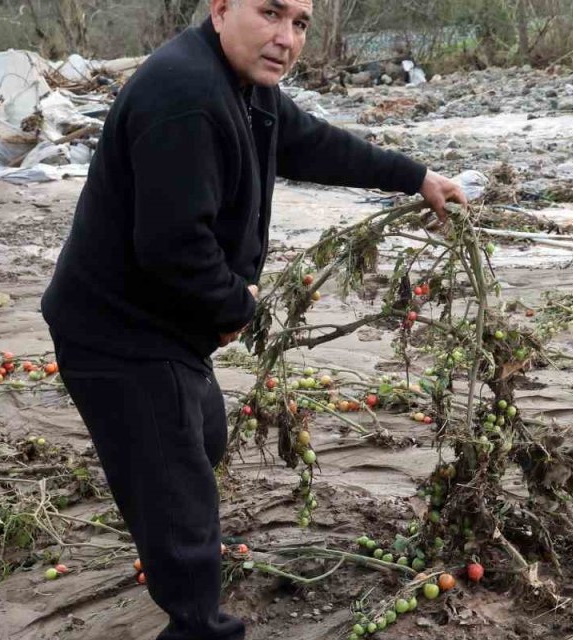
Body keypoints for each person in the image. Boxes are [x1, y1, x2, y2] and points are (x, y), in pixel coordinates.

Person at [41, 1, 466, 638]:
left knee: (201, 435)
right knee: (180, 494)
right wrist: (238, 307)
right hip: (116, 332)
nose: (286, 38)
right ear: (220, 10)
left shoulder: (249, 89)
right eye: (270, 13)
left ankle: (174, 526)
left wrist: (415, 176)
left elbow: (315, 144)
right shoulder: (184, 95)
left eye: (300, 23)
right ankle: (198, 623)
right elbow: (173, 246)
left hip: (165, 324)